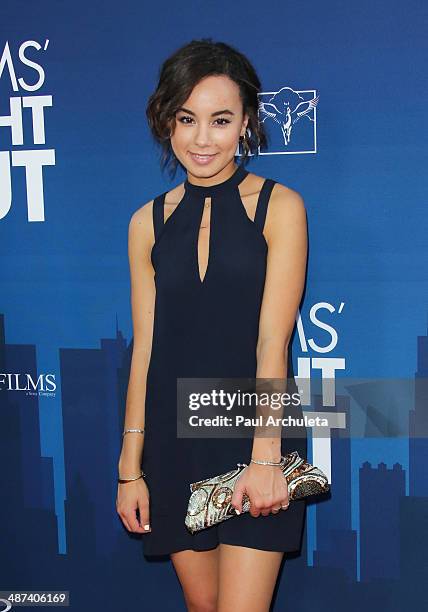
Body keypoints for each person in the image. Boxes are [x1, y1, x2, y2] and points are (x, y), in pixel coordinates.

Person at [116, 38, 308, 612]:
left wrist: (267, 457)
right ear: (166, 122)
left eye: (220, 120)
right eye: (187, 119)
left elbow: (273, 342)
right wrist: (130, 469)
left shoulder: (279, 206)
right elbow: (146, 349)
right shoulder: (145, 224)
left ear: (246, 122)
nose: (203, 139)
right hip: (174, 444)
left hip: (254, 436)